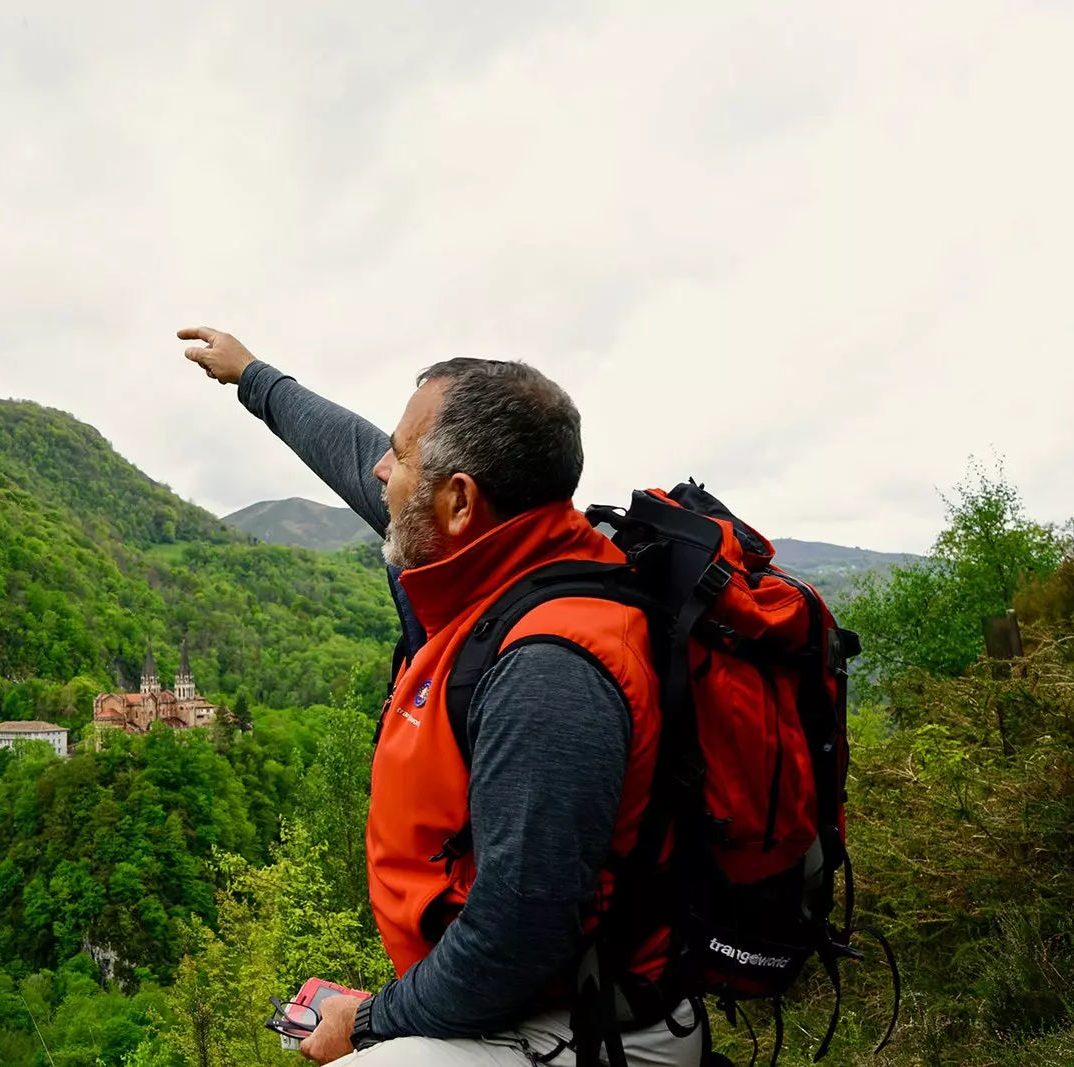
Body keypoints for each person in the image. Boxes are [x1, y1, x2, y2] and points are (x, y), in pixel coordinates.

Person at [178, 326, 703, 1067]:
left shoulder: (550, 668)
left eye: (401, 457)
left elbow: (518, 937)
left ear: (459, 500)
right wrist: (253, 377)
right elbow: (356, 458)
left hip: (589, 1025)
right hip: (521, 1003)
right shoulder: (484, 573)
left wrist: (364, 1024)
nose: (380, 470)